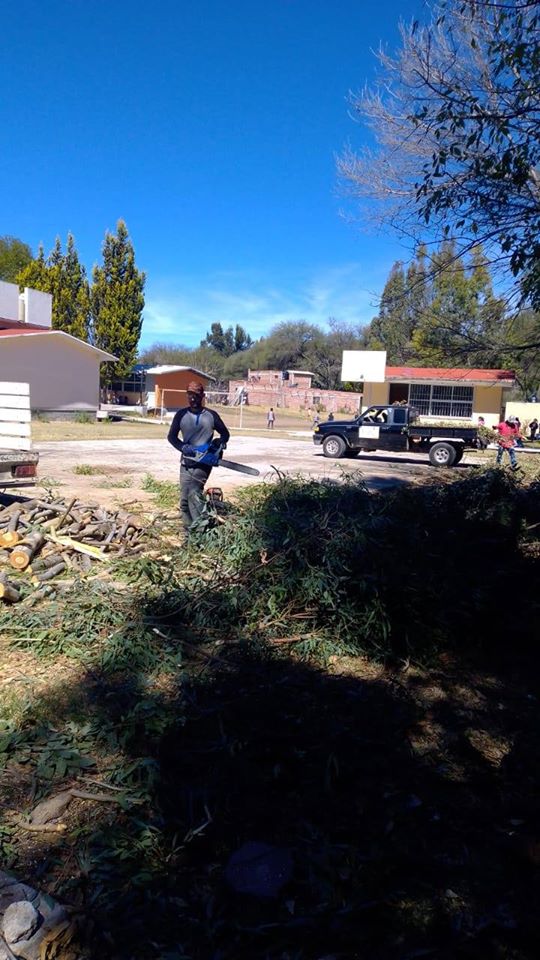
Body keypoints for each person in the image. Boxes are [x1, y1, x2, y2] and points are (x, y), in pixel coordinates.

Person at [167, 381, 230, 533]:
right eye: (189, 395)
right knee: (184, 499)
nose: (192, 399)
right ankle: (189, 533)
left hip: (204, 462)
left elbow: (225, 434)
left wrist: (219, 443)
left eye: (195, 395)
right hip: (187, 461)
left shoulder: (211, 416)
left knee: (194, 494)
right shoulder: (181, 415)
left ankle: (201, 532)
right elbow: (171, 437)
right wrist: (183, 447)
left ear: (202, 396)